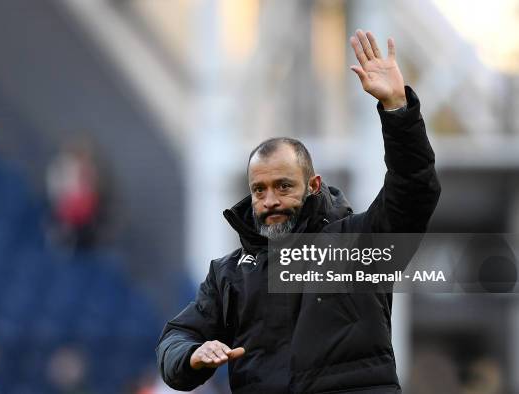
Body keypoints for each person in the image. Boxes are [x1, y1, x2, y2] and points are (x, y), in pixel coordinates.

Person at [156, 29, 441, 393]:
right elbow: (175, 338)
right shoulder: (229, 275)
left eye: (283, 186)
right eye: (259, 190)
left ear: (314, 186)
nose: (270, 200)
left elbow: (415, 188)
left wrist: (398, 109)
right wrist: (192, 352)